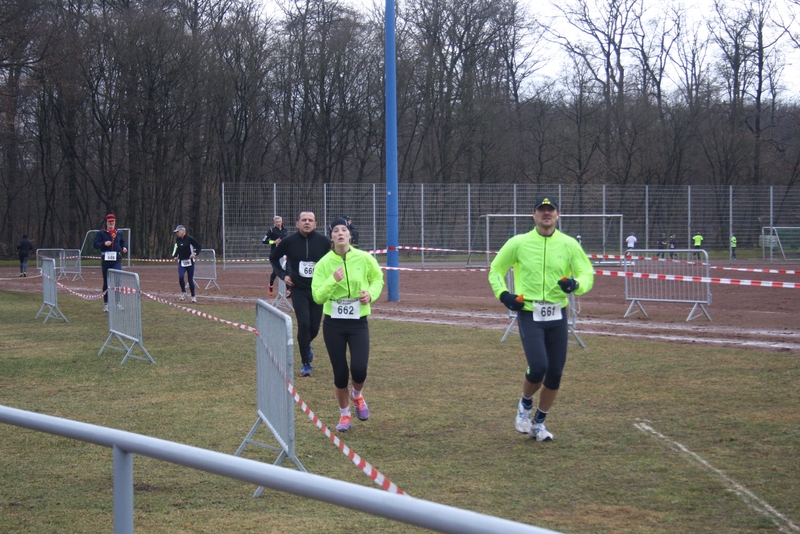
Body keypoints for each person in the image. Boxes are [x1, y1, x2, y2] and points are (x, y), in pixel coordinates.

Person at [489, 195, 594, 442]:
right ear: (534, 215)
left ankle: (539, 423)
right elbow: (496, 270)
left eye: (551, 210)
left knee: (555, 373)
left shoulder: (568, 244)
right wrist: (504, 295)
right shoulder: (519, 242)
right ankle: (525, 404)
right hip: (530, 312)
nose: (546, 213)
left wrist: (576, 284)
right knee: (538, 367)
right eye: (541, 210)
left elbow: (587, 273)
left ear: (558, 215)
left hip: (557, 314)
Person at [312, 217, 384, 432]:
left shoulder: (364, 258)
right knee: (340, 373)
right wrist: (333, 280)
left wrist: (370, 294)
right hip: (333, 323)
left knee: (359, 369)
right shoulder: (324, 263)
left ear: (350, 235)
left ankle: (357, 395)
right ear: (331, 237)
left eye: (344, 229)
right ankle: (344, 415)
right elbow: (317, 296)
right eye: (336, 230)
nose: (340, 233)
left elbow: (378, 279)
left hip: (358, 322)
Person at [270, 211, 331, 377]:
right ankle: (306, 364)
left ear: (315, 224)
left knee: (314, 328)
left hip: (318, 290)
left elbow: (334, 260)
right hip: (298, 289)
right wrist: (283, 275)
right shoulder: (289, 241)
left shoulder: (324, 241)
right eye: (304, 220)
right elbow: (273, 257)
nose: (307, 222)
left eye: (310, 220)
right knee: (303, 323)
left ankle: (306, 345)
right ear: (297, 224)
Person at [93, 214, 127, 312]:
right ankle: (106, 303)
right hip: (106, 260)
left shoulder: (119, 232)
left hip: (117, 260)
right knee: (106, 282)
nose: (111, 223)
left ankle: (118, 303)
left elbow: (122, 242)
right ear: (106, 222)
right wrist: (104, 243)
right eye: (109, 222)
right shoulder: (101, 233)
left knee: (117, 280)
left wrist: (124, 247)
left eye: (113, 221)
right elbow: (95, 244)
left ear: (115, 222)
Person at [172, 225, 202, 303]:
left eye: (178, 232)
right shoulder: (178, 240)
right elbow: (177, 248)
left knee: (190, 279)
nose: (177, 233)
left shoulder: (190, 238)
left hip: (190, 262)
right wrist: (175, 256)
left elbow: (198, 246)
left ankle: (193, 296)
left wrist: (195, 254)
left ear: (183, 231)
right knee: (181, 277)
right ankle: (183, 292)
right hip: (181, 262)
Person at [263, 216, 288, 296]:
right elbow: (264, 241)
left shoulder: (285, 230)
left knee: (286, 270)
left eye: (280, 221)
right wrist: (273, 242)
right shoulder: (271, 230)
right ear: (274, 223)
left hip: (284, 254)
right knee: (276, 271)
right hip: (275, 254)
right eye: (277, 222)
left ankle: (288, 289)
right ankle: (270, 285)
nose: (278, 223)